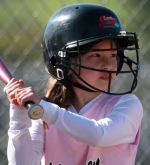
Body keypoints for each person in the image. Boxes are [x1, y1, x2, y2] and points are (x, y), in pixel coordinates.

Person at [4, 3, 143, 165]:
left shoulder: (128, 105)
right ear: (64, 62)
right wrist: (18, 115)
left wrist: (45, 110)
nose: (109, 64)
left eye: (113, 54)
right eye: (97, 55)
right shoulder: (46, 112)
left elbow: (99, 134)